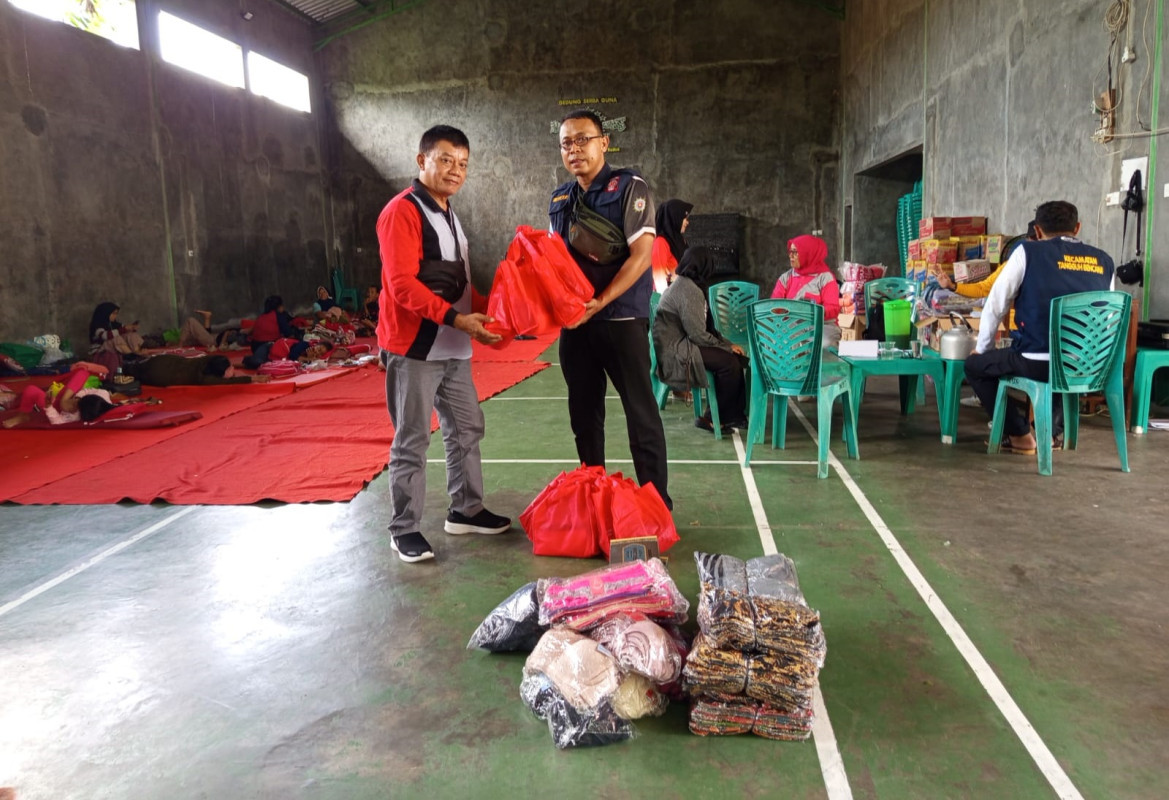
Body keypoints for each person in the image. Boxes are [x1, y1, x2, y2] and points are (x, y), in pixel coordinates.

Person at [377, 124, 511, 564]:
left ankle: (466, 509)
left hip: (453, 348)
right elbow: (401, 286)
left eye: (463, 164)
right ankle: (404, 529)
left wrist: (500, 314)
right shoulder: (402, 212)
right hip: (414, 348)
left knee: (467, 427)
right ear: (422, 161)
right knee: (412, 440)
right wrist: (457, 319)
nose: (456, 170)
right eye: (446, 160)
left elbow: (459, 284)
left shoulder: (450, 214)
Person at [549, 110, 672, 510]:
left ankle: (657, 505)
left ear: (604, 143)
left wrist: (600, 302)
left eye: (583, 139)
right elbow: (554, 264)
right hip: (576, 327)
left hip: (620, 321)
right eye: (567, 142)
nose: (575, 149)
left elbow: (641, 257)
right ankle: (593, 499)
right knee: (584, 417)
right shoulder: (560, 199)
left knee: (641, 414)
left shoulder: (629, 188)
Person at [964, 201, 1116, 455]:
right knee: (1061, 354)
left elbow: (995, 304)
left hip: (1037, 361)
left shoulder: (1027, 252)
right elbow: (1109, 314)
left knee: (975, 367)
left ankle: (1019, 435)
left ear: (1037, 230)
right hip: (1088, 365)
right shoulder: (1105, 260)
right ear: (1077, 228)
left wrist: (983, 349)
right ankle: (1054, 436)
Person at [653, 247, 748, 433]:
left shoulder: (687, 284)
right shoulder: (689, 289)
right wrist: (726, 348)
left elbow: (704, 330)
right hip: (676, 350)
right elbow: (697, 334)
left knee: (736, 360)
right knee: (729, 363)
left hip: (679, 343)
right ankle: (714, 418)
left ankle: (729, 415)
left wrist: (728, 344)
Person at [770, 234, 842, 350]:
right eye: (790, 252)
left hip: (822, 325)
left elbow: (833, 308)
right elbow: (774, 305)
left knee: (823, 344)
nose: (791, 256)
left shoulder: (825, 278)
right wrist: (783, 311)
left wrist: (812, 311)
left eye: (795, 252)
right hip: (792, 325)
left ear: (808, 253)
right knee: (778, 341)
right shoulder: (786, 278)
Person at [124, 354, 271, 386]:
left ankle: (122, 366)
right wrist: (252, 378)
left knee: (134, 368)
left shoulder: (207, 360)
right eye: (229, 369)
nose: (233, 369)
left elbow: (219, 358)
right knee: (137, 374)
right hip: (161, 376)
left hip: (162, 360)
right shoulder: (206, 378)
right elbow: (229, 382)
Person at [651, 198, 693, 291]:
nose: (687, 222)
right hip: (670, 297)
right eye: (684, 218)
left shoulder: (679, 240)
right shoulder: (661, 242)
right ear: (675, 218)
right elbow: (658, 276)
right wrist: (667, 302)